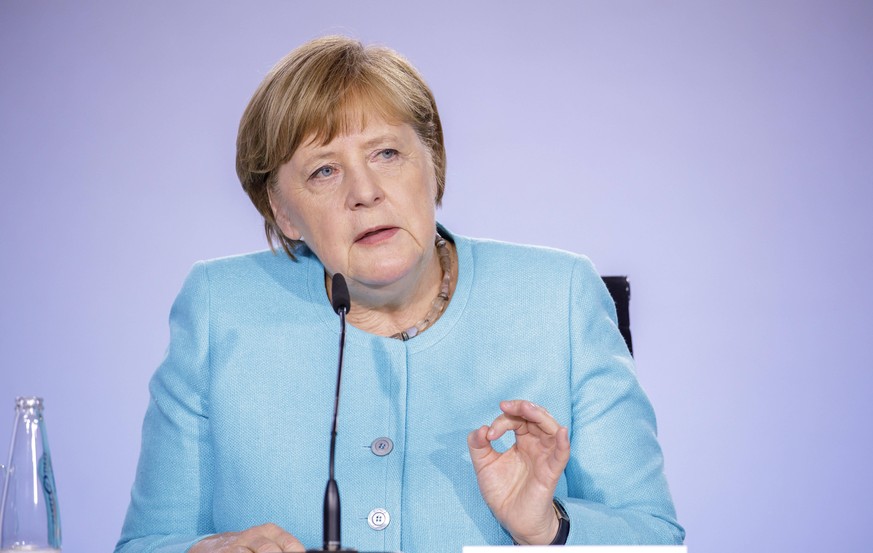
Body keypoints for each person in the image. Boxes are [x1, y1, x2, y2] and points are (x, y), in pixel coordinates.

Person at [115, 35, 684, 553]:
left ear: (432, 163)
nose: (365, 192)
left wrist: (546, 527)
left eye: (387, 153)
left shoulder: (557, 298)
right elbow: (145, 543)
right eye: (323, 171)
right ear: (283, 212)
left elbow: (655, 538)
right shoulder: (220, 308)